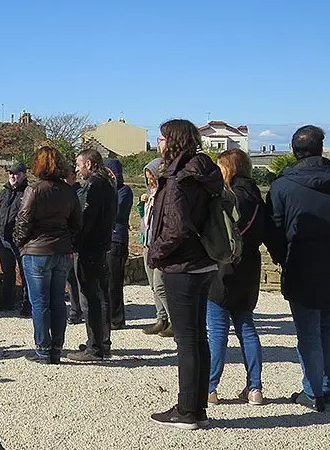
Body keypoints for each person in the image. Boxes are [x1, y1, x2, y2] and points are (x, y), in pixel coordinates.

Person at [264, 125, 330, 412]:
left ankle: (312, 391)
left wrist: (282, 256)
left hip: (301, 263)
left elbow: (272, 228)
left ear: (294, 150)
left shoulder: (283, 185)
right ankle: (326, 386)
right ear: (321, 148)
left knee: (308, 331)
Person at [147, 119, 223, 430]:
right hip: (205, 261)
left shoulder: (180, 178)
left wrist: (154, 254)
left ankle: (188, 410)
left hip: (183, 265)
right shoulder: (204, 171)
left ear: (174, 141)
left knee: (187, 339)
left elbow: (175, 228)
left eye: (163, 138)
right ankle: (196, 405)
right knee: (196, 337)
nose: (158, 142)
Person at [207, 149, 266, 406]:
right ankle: (255, 388)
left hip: (223, 267)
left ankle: (210, 388)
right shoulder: (258, 197)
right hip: (250, 265)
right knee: (247, 327)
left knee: (217, 331)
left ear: (228, 169)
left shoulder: (225, 197)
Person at [13, 147, 82, 364]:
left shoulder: (34, 190)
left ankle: (43, 349)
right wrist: (65, 239)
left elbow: (23, 221)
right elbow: (77, 222)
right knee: (58, 302)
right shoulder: (68, 191)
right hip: (61, 250)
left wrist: (20, 242)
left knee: (40, 302)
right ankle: (56, 348)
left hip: (37, 251)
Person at [67, 149, 117, 362]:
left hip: (89, 248)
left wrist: (74, 241)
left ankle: (95, 347)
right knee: (102, 295)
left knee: (89, 297)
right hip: (102, 245)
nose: (77, 169)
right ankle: (101, 343)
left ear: (88, 163)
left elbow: (86, 217)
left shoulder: (94, 185)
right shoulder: (108, 183)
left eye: (78, 164)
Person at [138, 158, 173, 337]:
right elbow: (145, 221)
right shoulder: (150, 195)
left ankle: (174, 320)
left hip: (158, 246)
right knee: (153, 285)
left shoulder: (164, 196)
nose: (149, 180)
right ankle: (161, 318)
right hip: (147, 244)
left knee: (160, 285)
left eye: (151, 176)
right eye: (147, 177)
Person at [0, 163, 30, 315]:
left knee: (25, 272)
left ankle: (28, 304)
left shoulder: (28, 192)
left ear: (24, 175)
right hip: (3, 239)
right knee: (7, 272)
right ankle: (8, 302)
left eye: (16, 174)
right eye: (10, 174)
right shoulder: (3, 193)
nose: (13, 177)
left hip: (20, 240)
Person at [104, 159, 134, 330]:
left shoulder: (125, 191)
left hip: (117, 239)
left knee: (115, 282)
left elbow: (117, 212)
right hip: (106, 240)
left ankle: (117, 318)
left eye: (110, 172)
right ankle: (109, 316)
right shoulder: (107, 190)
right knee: (106, 282)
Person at [63, 168, 84, 325]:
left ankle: (77, 310)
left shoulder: (79, 193)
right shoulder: (63, 192)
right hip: (65, 240)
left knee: (76, 277)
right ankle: (75, 309)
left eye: (67, 176)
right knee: (69, 278)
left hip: (76, 241)